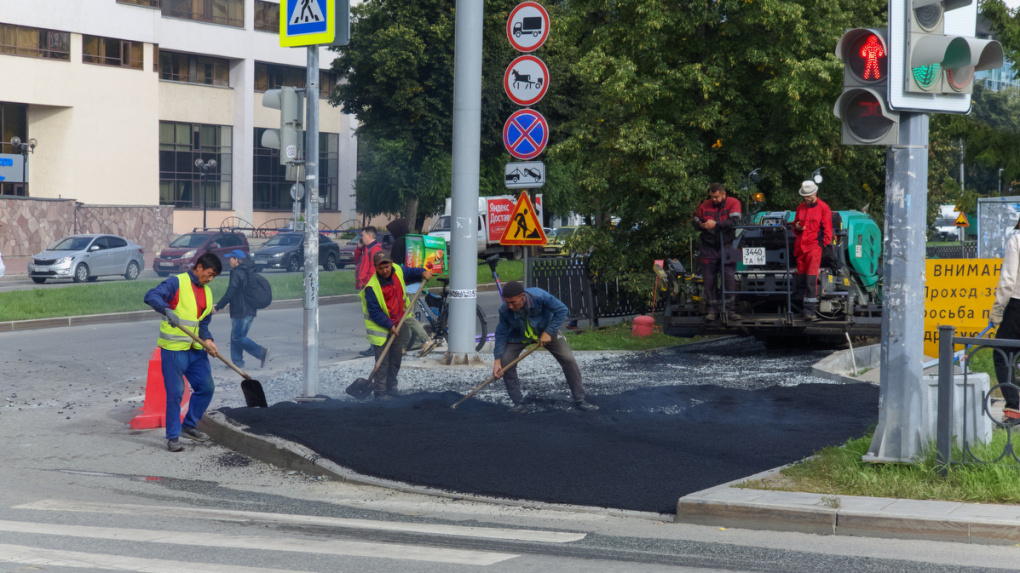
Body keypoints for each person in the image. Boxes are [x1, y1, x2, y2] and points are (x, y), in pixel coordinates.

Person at [143, 252, 222, 452]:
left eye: (214, 276)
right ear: (199, 267)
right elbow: (151, 295)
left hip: (196, 351)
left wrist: (208, 340)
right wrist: (166, 310)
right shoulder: (177, 283)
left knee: (206, 388)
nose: (210, 279)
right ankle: (173, 437)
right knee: (176, 393)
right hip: (175, 350)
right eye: (209, 274)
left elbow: (203, 322)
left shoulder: (208, 291)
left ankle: (189, 425)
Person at [492, 281, 599, 413]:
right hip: (519, 336)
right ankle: (518, 403)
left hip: (547, 331)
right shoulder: (505, 310)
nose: (510, 305)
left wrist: (548, 332)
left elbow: (562, 310)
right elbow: (501, 333)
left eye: (513, 302)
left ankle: (580, 400)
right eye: (507, 302)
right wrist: (497, 360)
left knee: (568, 359)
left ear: (522, 296)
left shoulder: (540, 297)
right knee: (506, 361)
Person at [360, 250, 432, 399]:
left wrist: (422, 272)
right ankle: (380, 393)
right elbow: (375, 312)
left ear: (391, 262)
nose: (385, 270)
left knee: (396, 359)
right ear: (376, 267)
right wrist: (390, 325)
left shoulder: (398, 270)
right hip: (381, 328)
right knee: (383, 363)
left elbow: (411, 272)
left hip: (398, 324)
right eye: (381, 268)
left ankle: (391, 388)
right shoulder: (371, 287)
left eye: (386, 266)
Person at [693, 183, 743, 321]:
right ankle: (711, 310)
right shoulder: (704, 205)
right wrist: (701, 225)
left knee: (729, 278)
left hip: (728, 245)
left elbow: (734, 221)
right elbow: (695, 220)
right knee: (708, 279)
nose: (714, 199)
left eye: (716, 197)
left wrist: (716, 224)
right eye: (712, 197)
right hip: (708, 246)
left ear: (723, 194)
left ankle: (730, 310)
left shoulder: (734, 203)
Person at [212, 250, 269, 369]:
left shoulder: (237, 273)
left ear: (237, 260)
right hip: (250, 310)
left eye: (231, 258)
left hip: (241, 311)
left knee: (237, 337)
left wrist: (217, 307)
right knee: (236, 336)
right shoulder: (249, 271)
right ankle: (237, 362)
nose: (230, 261)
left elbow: (230, 293)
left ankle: (261, 352)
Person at [990, 216, 1020, 425]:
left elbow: (1008, 281)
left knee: (1003, 354)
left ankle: (1014, 410)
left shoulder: (1016, 240)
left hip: (1018, 306)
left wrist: (998, 310)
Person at [387, 217, 431, 352]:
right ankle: (403, 346)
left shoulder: (399, 243)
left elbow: (395, 266)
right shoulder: (414, 240)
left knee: (406, 316)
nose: (392, 235)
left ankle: (426, 340)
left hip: (406, 285)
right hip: (418, 281)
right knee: (405, 316)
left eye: (392, 232)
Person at [792, 180, 833, 321]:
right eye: (804, 195)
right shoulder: (800, 208)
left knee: (810, 280)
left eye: (808, 195)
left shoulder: (823, 208)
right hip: (801, 248)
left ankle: (809, 311)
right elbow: (795, 227)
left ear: (815, 193)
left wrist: (819, 246)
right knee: (801, 280)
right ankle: (803, 310)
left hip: (813, 248)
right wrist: (797, 227)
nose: (806, 198)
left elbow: (828, 232)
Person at [354, 227, 383, 356]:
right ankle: (373, 345)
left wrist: (366, 284)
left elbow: (373, 270)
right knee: (369, 318)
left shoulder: (375, 249)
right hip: (366, 287)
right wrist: (359, 248)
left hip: (370, 288)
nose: (362, 237)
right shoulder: (367, 249)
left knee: (372, 318)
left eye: (363, 235)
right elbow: (357, 262)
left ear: (370, 236)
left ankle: (375, 346)